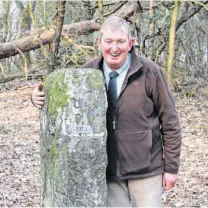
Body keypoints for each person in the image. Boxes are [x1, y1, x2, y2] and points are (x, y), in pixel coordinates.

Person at [31, 16, 181, 207]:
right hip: (107, 174)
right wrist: (36, 96)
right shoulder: (87, 73)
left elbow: (170, 122)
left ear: (131, 44)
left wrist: (171, 168)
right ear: (99, 43)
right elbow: (59, 89)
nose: (114, 48)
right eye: (109, 41)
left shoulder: (150, 72)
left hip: (146, 171)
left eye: (120, 41)